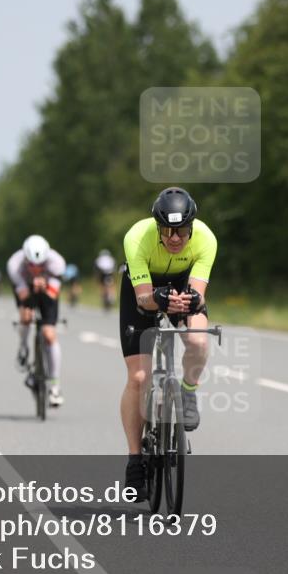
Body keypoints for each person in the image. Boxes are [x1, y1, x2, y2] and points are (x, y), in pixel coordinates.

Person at [118, 187, 216, 500]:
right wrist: (158, 300)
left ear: (192, 227)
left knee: (199, 342)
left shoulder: (206, 239)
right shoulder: (136, 238)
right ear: (158, 228)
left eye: (182, 231)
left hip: (182, 285)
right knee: (139, 377)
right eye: (168, 231)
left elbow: (198, 294)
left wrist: (189, 302)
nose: (175, 238)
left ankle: (187, 393)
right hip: (144, 291)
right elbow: (143, 299)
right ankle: (135, 460)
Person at [7, 235, 66, 407]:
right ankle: (23, 346)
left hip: (48, 292)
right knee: (25, 316)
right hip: (26, 289)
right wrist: (33, 286)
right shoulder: (14, 265)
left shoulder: (57, 263)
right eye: (32, 265)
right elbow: (24, 296)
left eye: (40, 265)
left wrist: (45, 286)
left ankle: (55, 386)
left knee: (49, 334)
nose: (36, 268)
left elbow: (53, 294)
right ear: (25, 259)